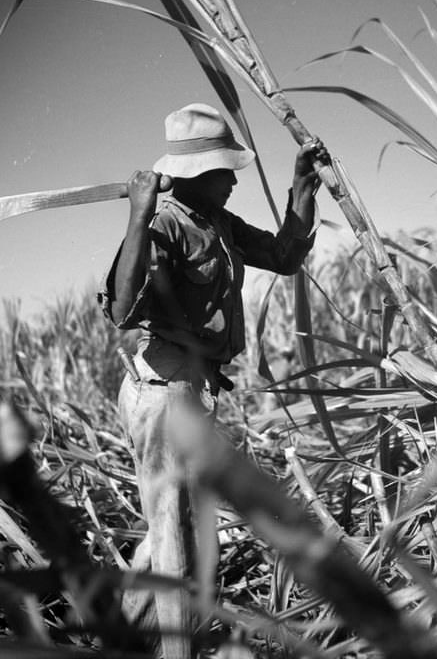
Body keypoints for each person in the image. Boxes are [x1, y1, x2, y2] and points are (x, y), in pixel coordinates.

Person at [98, 102, 327, 658]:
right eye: (223, 171)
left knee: (165, 530)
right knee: (175, 538)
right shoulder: (164, 223)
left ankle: (118, 643)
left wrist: (302, 187)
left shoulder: (219, 223)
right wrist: (137, 216)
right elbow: (124, 310)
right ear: (195, 176)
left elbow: (284, 254)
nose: (232, 180)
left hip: (192, 391)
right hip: (161, 391)